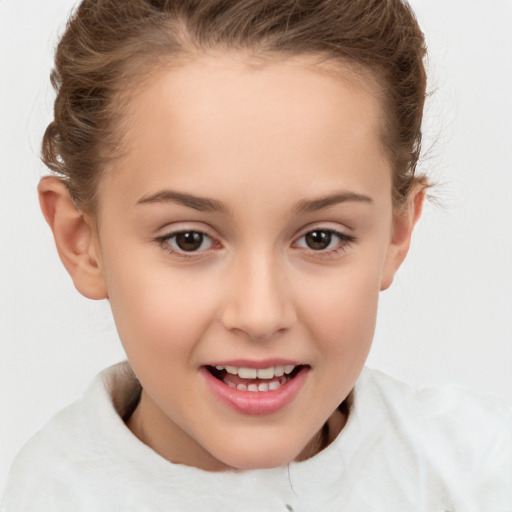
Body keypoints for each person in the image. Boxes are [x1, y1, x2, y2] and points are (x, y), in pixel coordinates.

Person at [2, 0, 511, 510]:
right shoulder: (42, 497)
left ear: (397, 232)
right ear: (81, 241)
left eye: (320, 238)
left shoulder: (482, 473)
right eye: (189, 239)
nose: (260, 315)